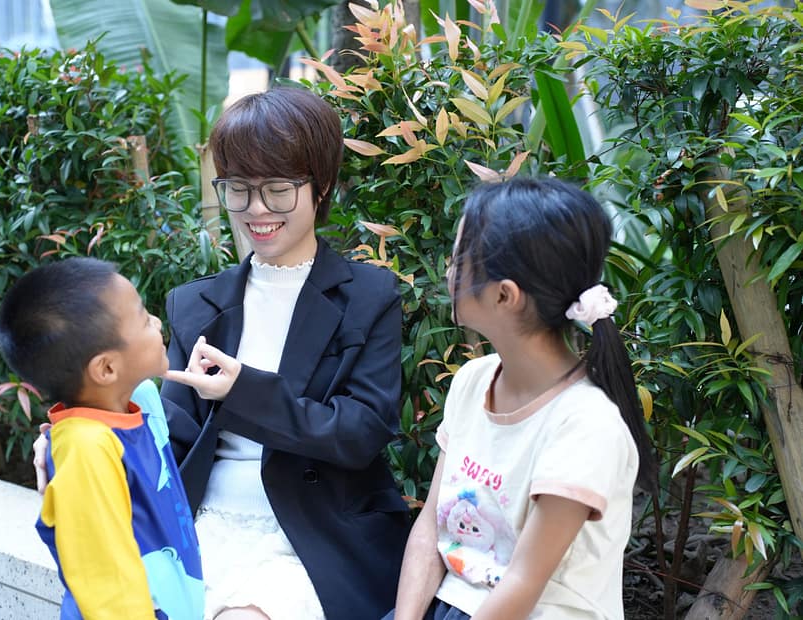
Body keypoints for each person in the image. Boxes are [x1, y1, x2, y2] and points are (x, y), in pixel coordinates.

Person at [155, 86, 410, 620]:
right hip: (205, 524)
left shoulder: (369, 298)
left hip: (314, 535)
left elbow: (360, 432)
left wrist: (243, 391)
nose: (257, 209)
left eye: (277, 189)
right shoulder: (194, 304)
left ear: (322, 186)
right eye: (239, 189)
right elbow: (173, 441)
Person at [388, 178, 657, 619]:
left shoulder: (586, 426)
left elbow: (523, 583)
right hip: (453, 603)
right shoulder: (473, 381)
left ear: (504, 295)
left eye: (458, 259)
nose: (449, 272)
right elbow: (430, 530)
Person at [0, 257, 204, 620]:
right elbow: (108, 591)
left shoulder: (139, 402)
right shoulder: (86, 450)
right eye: (144, 319)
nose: (158, 323)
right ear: (107, 368)